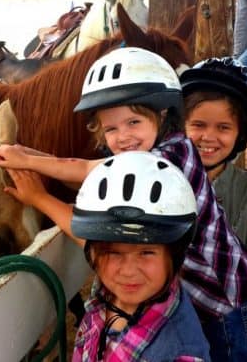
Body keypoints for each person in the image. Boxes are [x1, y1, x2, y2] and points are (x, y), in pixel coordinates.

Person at [0, 47, 247, 361]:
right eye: (111, 128)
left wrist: (36, 184)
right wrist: (41, 161)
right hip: (220, 300)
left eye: (133, 122)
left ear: (161, 116)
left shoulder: (170, 158)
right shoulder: (164, 150)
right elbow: (84, 167)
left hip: (235, 308)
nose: (123, 137)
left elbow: (92, 203)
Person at [70, 151, 211, 360]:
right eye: (113, 252)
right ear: (94, 254)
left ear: (175, 255)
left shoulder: (180, 352)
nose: (127, 271)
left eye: (146, 252)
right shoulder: (106, 294)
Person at [182, 57, 247, 265]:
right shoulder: (159, 177)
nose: (208, 137)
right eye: (198, 125)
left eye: (223, 127)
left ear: (241, 134)